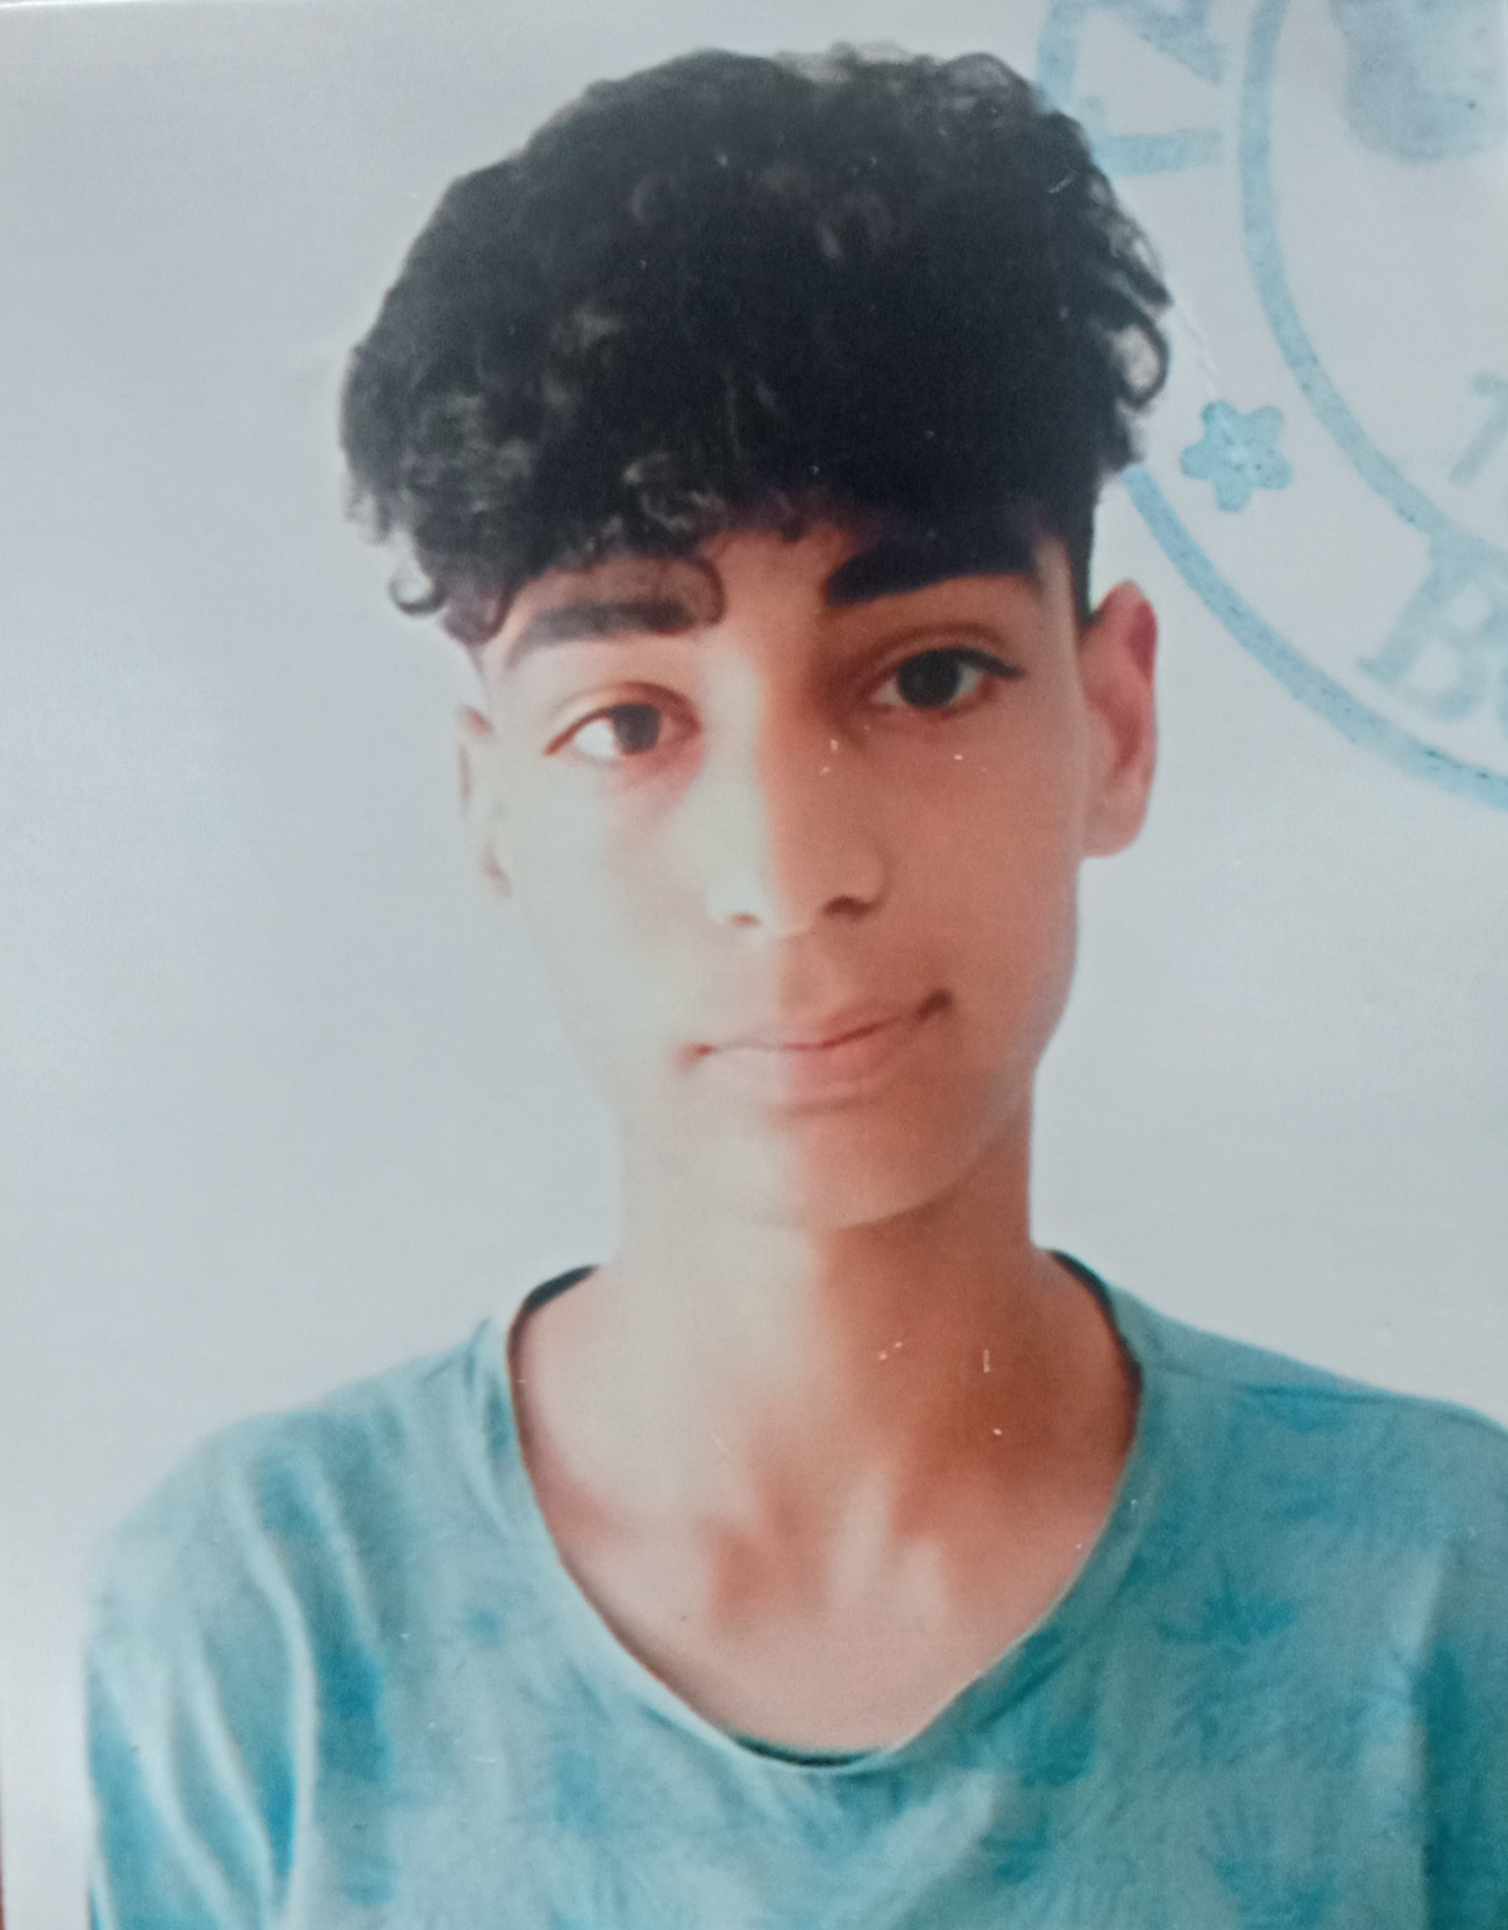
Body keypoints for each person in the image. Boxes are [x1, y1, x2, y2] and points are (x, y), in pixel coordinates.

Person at [85, 43, 1508, 1928]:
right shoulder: (266, 1640)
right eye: (629, 721)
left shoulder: (1438, 1605)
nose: (786, 868)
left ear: (1114, 720)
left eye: (927, 677)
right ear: (492, 805)